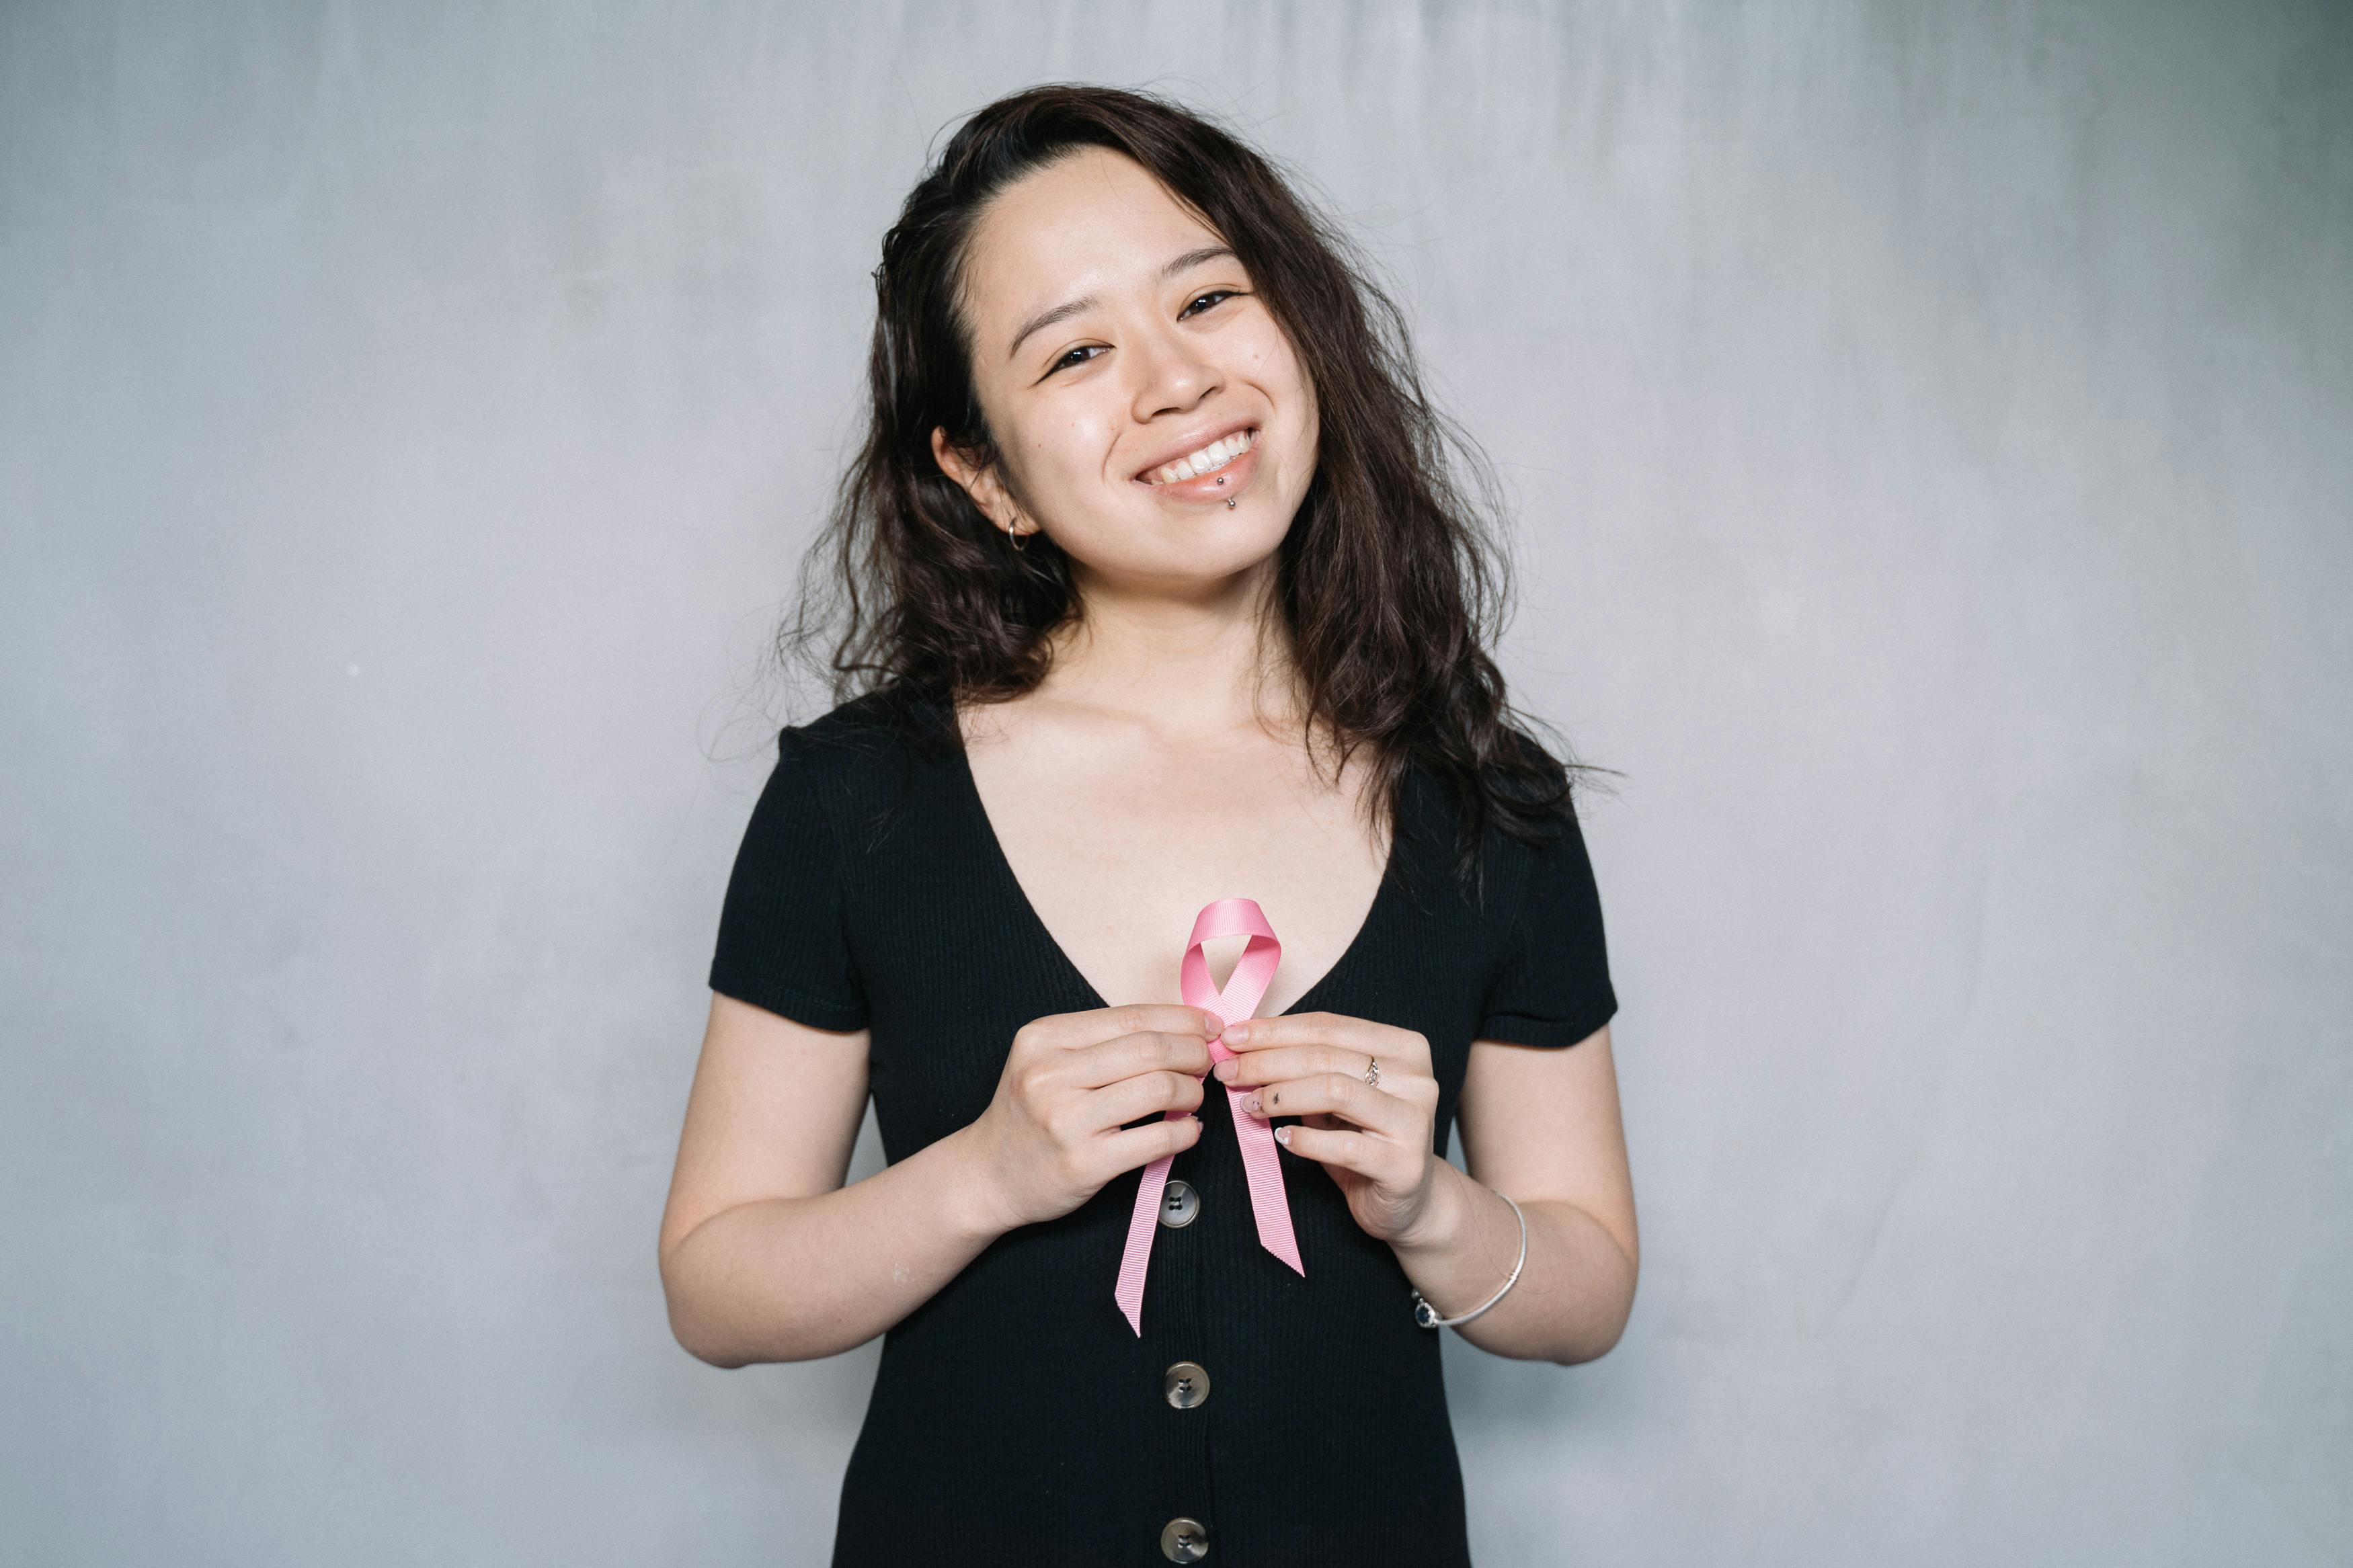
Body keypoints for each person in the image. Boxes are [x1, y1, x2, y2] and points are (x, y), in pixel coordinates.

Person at [657, 83, 1638, 1567]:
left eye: (1211, 298)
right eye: (1076, 352)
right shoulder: (856, 799)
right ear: (982, 476)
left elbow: (1588, 1289)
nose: (1175, 382)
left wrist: (1429, 1203)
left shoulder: (1489, 805)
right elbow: (715, 1288)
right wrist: (983, 1172)